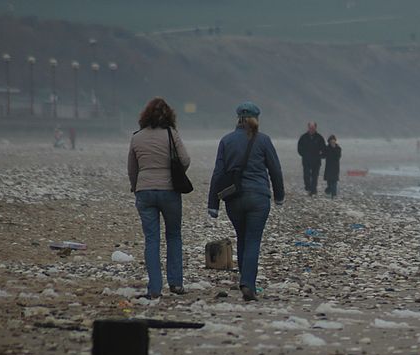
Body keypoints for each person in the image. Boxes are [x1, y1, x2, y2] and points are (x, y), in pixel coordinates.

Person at [208, 101, 285, 301]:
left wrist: (213, 205)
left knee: (242, 237)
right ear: (256, 119)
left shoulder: (226, 141)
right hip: (259, 198)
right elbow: (275, 170)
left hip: (233, 199)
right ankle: (248, 283)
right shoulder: (264, 140)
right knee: (253, 240)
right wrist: (279, 196)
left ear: (238, 119)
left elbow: (218, 174)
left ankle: (245, 280)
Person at [127, 97, 190, 299]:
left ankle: (154, 287)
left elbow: (132, 168)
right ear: (169, 115)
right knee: (173, 235)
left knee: (151, 239)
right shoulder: (172, 134)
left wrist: (137, 186)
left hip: (144, 191)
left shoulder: (136, 137)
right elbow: (185, 160)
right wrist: (175, 173)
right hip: (169, 190)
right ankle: (176, 283)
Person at [297, 121, 325, 196]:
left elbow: (323, 148)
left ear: (315, 128)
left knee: (314, 176)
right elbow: (299, 148)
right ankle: (308, 187)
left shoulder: (319, 137)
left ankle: (313, 190)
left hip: (316, 160)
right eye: (310, 128)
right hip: (306, 160)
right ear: (308, 128)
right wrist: (304, 154)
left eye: (313, 128)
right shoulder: (303, 137)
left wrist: (321, 155)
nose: (311, 129)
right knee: (306, 175)